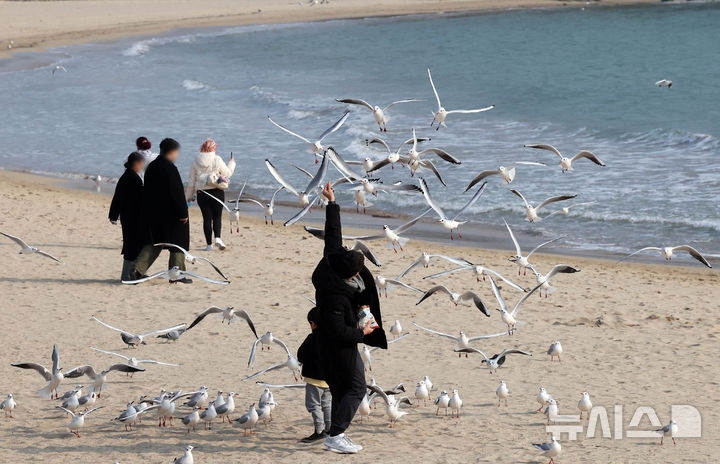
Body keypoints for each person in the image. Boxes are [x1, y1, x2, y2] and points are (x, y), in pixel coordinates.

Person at [312, 182, 387, 454]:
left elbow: (333, 235)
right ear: (349, 276)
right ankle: (336, 435)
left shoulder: (332, 259)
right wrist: (362, 334)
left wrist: (332, 203)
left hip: (334, 343)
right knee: (356, 389)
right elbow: (336, 332)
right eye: (357, 273)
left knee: (342, 389)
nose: (359, 276)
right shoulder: (335, 296)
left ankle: (336, 430)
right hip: (337, 346)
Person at [132, 138, 191, 283]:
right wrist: (183, 213)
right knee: (178, 243)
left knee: (156, 242)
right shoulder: (170, 168)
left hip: (153, 212)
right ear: (172, 151)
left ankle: (137, 269)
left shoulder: (152, 166)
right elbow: (177, 193)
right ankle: (177, 274)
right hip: (171, 214)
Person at [185, 139, 235, 251]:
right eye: (215, 147)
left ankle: (208, 245)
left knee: (207, 218)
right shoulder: (217, 159)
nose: (215, 149)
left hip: (202, 193)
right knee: (217, 217)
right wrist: (232, 163)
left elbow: (191, 181)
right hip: (217, 192)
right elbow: (228, 173)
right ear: (212, 148)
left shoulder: (195, 161)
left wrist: (189, 196)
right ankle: (217, 238)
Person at [108, 152, 149, 281]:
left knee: (134, 245)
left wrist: (113, 215)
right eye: (142, 163)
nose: (142, 166)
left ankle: (136, 272)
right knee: (133, 246)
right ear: (136, 163)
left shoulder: (125, 176)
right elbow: (141, 200)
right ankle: (126, 275)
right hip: (134, 218)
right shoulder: (134, 179)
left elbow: (117, 198)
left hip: (127, 217)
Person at [297, 307, 332, 443]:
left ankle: (319, 431)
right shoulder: (332, 338)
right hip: (329, 379)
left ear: (313, 323)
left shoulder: (312, 338)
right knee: (327, 404)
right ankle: (329, 429)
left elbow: (301, 355)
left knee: (313, 405)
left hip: (314, 380)